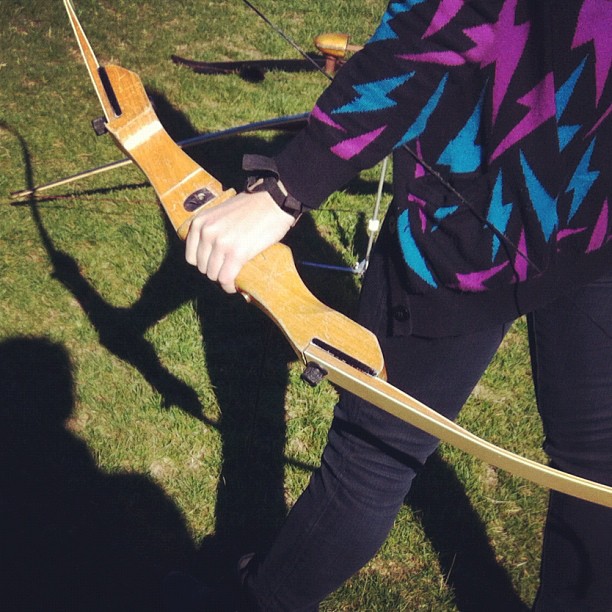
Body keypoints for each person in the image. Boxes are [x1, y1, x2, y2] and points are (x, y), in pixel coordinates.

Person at [167, 0, 612, 609]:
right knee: (596, 456)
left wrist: (285, 187)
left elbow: (432, 29)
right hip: (593, 190)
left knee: (372, 458)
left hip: (478, 218)